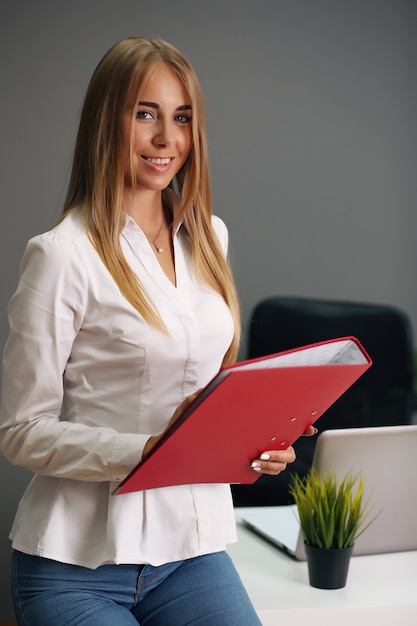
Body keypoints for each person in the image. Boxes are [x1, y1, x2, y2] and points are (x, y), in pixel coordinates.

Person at [0, 36, 316, 625]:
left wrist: (256, 440)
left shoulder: (209, 238)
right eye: (145, 114)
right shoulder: (61, 256)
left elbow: (206, 391)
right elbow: (20, 431)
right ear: (105, 122)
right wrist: (147, 452)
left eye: (182, 118)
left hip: (189, 553)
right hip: (77, 566)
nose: (166, 139)